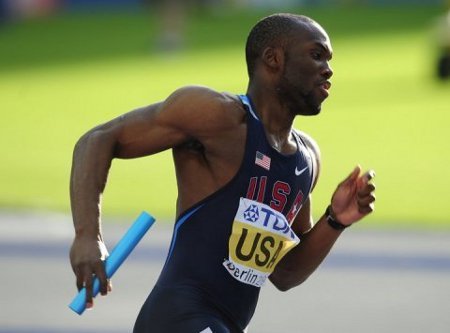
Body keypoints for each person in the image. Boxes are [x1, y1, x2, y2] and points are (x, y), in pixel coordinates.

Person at [69, 13, 376, 333]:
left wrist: (335, 220)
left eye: (329, 60)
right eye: (316, 55)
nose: (328, 70)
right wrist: (87, 237)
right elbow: (98, 139)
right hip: (179, 317)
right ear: (274, 59)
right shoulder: (217, 116)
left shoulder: (306, 158)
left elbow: (285, 273)